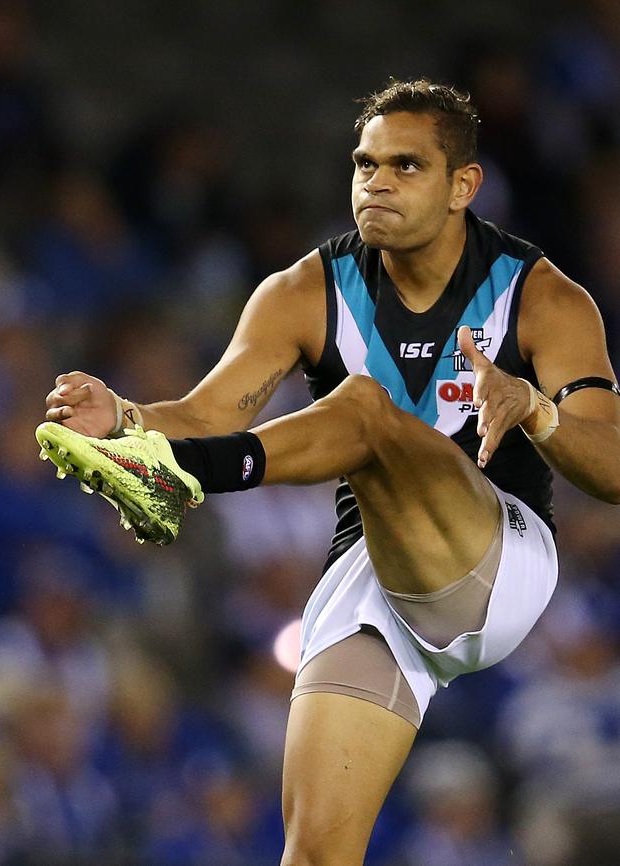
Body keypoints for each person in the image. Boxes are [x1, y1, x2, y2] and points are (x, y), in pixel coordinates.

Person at [38, 79, 620, 866]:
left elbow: (612, 466)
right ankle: (172, 470)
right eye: (364, 163)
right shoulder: (305, 289)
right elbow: (208, 413)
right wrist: (126, 417)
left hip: (499, 563)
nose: (375, 181)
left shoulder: (541, 297)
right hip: (371, 581)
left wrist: (538, 411)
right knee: (313, 854)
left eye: (405, 166)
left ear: (464, 186)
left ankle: (182, 478)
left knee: (365, 410)